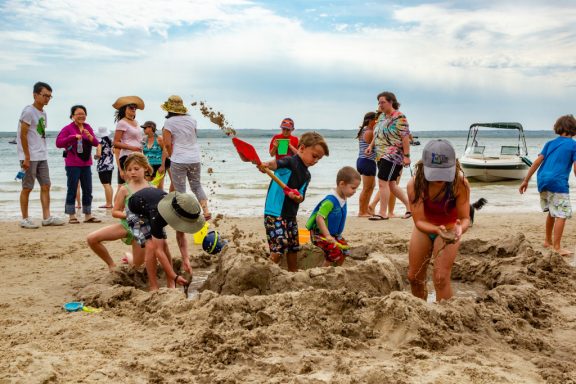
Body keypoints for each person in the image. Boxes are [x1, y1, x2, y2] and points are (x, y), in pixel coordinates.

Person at [407, 139, 470, 302]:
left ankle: (445, 317)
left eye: (444, 173)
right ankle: (421, 312)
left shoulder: (460, 183)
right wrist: (435, 230)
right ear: (424, 166)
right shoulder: (415, 184)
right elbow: (419, 221)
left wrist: (460, 229)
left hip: (450, 230)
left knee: (441, 278)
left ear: (454, 166)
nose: (439, 178)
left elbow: (465, 218)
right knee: (414, 278)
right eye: (435, 173)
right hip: (424, 229)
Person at [260, 131, 329, 272]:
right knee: (279, 245)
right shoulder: (290, 162)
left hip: (290, 215)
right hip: (275, 212)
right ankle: (264, 273)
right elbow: (276, 164)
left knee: (293, 246)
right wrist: (266, 165)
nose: (315, 161)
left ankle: (293, 273)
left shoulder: (307, 174)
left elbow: (301, 195)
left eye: (318, 159)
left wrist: (297, 197)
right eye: (314, 156)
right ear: (302, 148)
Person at [519, 114, 576, 256]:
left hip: (542, 180)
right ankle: (557, 247)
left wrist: (526, 180)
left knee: (552, 211)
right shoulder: (574, 145)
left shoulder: (549, 143)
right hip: (558, 182)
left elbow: (537, 162)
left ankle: (547, 241)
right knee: (561, 214)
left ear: (558, 128)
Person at [126, 188, 205, 290]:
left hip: (150, 206)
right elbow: (158, 251)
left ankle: (171, 284)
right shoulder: (158, 216)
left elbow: (181, 237)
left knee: (164, 244)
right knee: (151, 246)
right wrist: (174, 275)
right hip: (136, 211)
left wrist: (185, 259)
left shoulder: (181, 208)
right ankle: (153, 286)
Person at [86, 153, 150, 273]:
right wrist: (129, 215)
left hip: (142, 230)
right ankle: (111, 265)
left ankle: (129, 257)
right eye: (129, 170)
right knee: (92, 239)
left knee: (136, 268)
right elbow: (115, 212)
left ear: (145, 168)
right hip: (126, 226)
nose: (132, 172)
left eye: (136, 169)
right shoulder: (124, 189)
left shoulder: (152, 188)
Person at [16, 81, 65, 228]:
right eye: (45, 95)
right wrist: (26, 157)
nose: (47, 99)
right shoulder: (28, 111)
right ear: (35, 95)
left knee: (46, 185)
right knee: (27, 187)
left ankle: (47, 217)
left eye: (50, 96)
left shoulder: (43, 112)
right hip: (29, 156)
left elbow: (39, 134)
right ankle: (24, 218)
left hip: (42, 155)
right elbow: (22, 135)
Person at [365, 91, 411, 220]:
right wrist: (370, 146)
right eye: (379, 102)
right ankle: (410, 207)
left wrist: (407, 156)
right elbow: (377, 133)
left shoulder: (400, 117)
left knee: (382, 182)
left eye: (383, 102)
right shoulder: (381, 117)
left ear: (391, 102)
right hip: (380, 154)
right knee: (391, 185)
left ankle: (382, 213)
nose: (380, 104)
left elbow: (405, 137)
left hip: (393, 154)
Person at [306, 166, 361, 266]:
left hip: (334, 234)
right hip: (320, 235)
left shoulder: (343, 197)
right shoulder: (330, 201)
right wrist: (327, 235)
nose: (355, 191)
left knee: (345, 250)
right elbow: (319, 217)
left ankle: (337, 269)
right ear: (342, 184)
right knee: (335, 251)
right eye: (353, 188)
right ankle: (324, 270)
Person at [56, 105, 102, 224]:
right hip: (72, 163)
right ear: (72, 116)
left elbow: (96, 143)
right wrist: (73, 137)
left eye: (83, 113)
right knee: (72, 188)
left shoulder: (88, 127)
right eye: (78, 114)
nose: (82, 116)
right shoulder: (67, 128)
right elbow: (58, 143)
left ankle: (88, 215)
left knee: (88, 189)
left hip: (86, 162)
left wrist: (90, 137)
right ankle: (72, 216)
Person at [112, 96, 144, 189]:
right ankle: (124, 203)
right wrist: (132, 148)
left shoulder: (136, 122)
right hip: (127, 157)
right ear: (124, 109)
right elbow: (115, 142)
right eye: (130, 107)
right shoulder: (122, 123)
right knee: (129, 186)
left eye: (135, 107)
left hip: (138, 156)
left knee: (138, 185)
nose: (134, 109)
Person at [356, 111, 378, 217]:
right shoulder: (369, 132)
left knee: (371, 186)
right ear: (370, 121)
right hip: (367, 161)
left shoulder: (363, 130)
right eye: (376, 120)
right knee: (366, 188)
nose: (377, 122)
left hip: (362, 160)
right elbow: (375, 147)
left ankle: (366, 209)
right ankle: (362, 211)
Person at [94, 126, 114, 208]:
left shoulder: (100, 142)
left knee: (106, 185)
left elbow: (98, 155)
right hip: (110, 165)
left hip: (103, 166)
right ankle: (110, 203)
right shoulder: (110, 141)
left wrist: (95, 156)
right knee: (109, 184)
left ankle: (108, 204)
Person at [141, 120, 165, 187]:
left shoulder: (159, 139)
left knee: (159, 188)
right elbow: (141, 152)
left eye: (145, 128)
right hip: (147, 166)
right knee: (147, 187)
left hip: (158, 165)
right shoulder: (143, 139)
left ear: (151, 128)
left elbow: (164, 152)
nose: (143, 130)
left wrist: (163, 166)